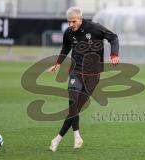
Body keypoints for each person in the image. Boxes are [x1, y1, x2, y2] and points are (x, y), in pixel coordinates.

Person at [47, 6, 119, 152]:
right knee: (73, 102)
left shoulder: (95, 28)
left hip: (93, 76)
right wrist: (58, 63)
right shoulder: (68, 33)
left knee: (75, 109)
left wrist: (114, 55)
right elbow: (66, 48)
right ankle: (77, 136)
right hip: (76, 72)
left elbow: (113, 38)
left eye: (73, 21)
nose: (71, 25)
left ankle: (58, 138)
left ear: (80, 19)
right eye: (69, 22)